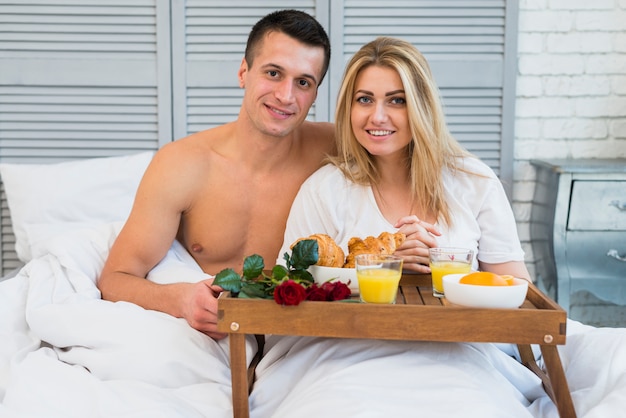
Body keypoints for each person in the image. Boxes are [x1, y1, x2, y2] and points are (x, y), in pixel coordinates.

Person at [97, 9, 334, 340]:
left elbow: (409, 150)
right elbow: (115, 279)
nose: (286, 96)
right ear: (243, 72)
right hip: (210, 340)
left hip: (296, 338)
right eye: (273, 73)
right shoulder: (182, 164)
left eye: (303, 82)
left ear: (315, 95)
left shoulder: (337, 151)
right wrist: (180, 299)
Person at [278, 36, 530, 280]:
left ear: (422, 107)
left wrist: (443, 262)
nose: (377, 116)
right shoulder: (324, 190)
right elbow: (291, 284)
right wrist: (383, 263)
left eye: (397, 100)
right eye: (364, 99)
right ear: (349, 108)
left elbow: (518, 293)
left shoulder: (476, 182)